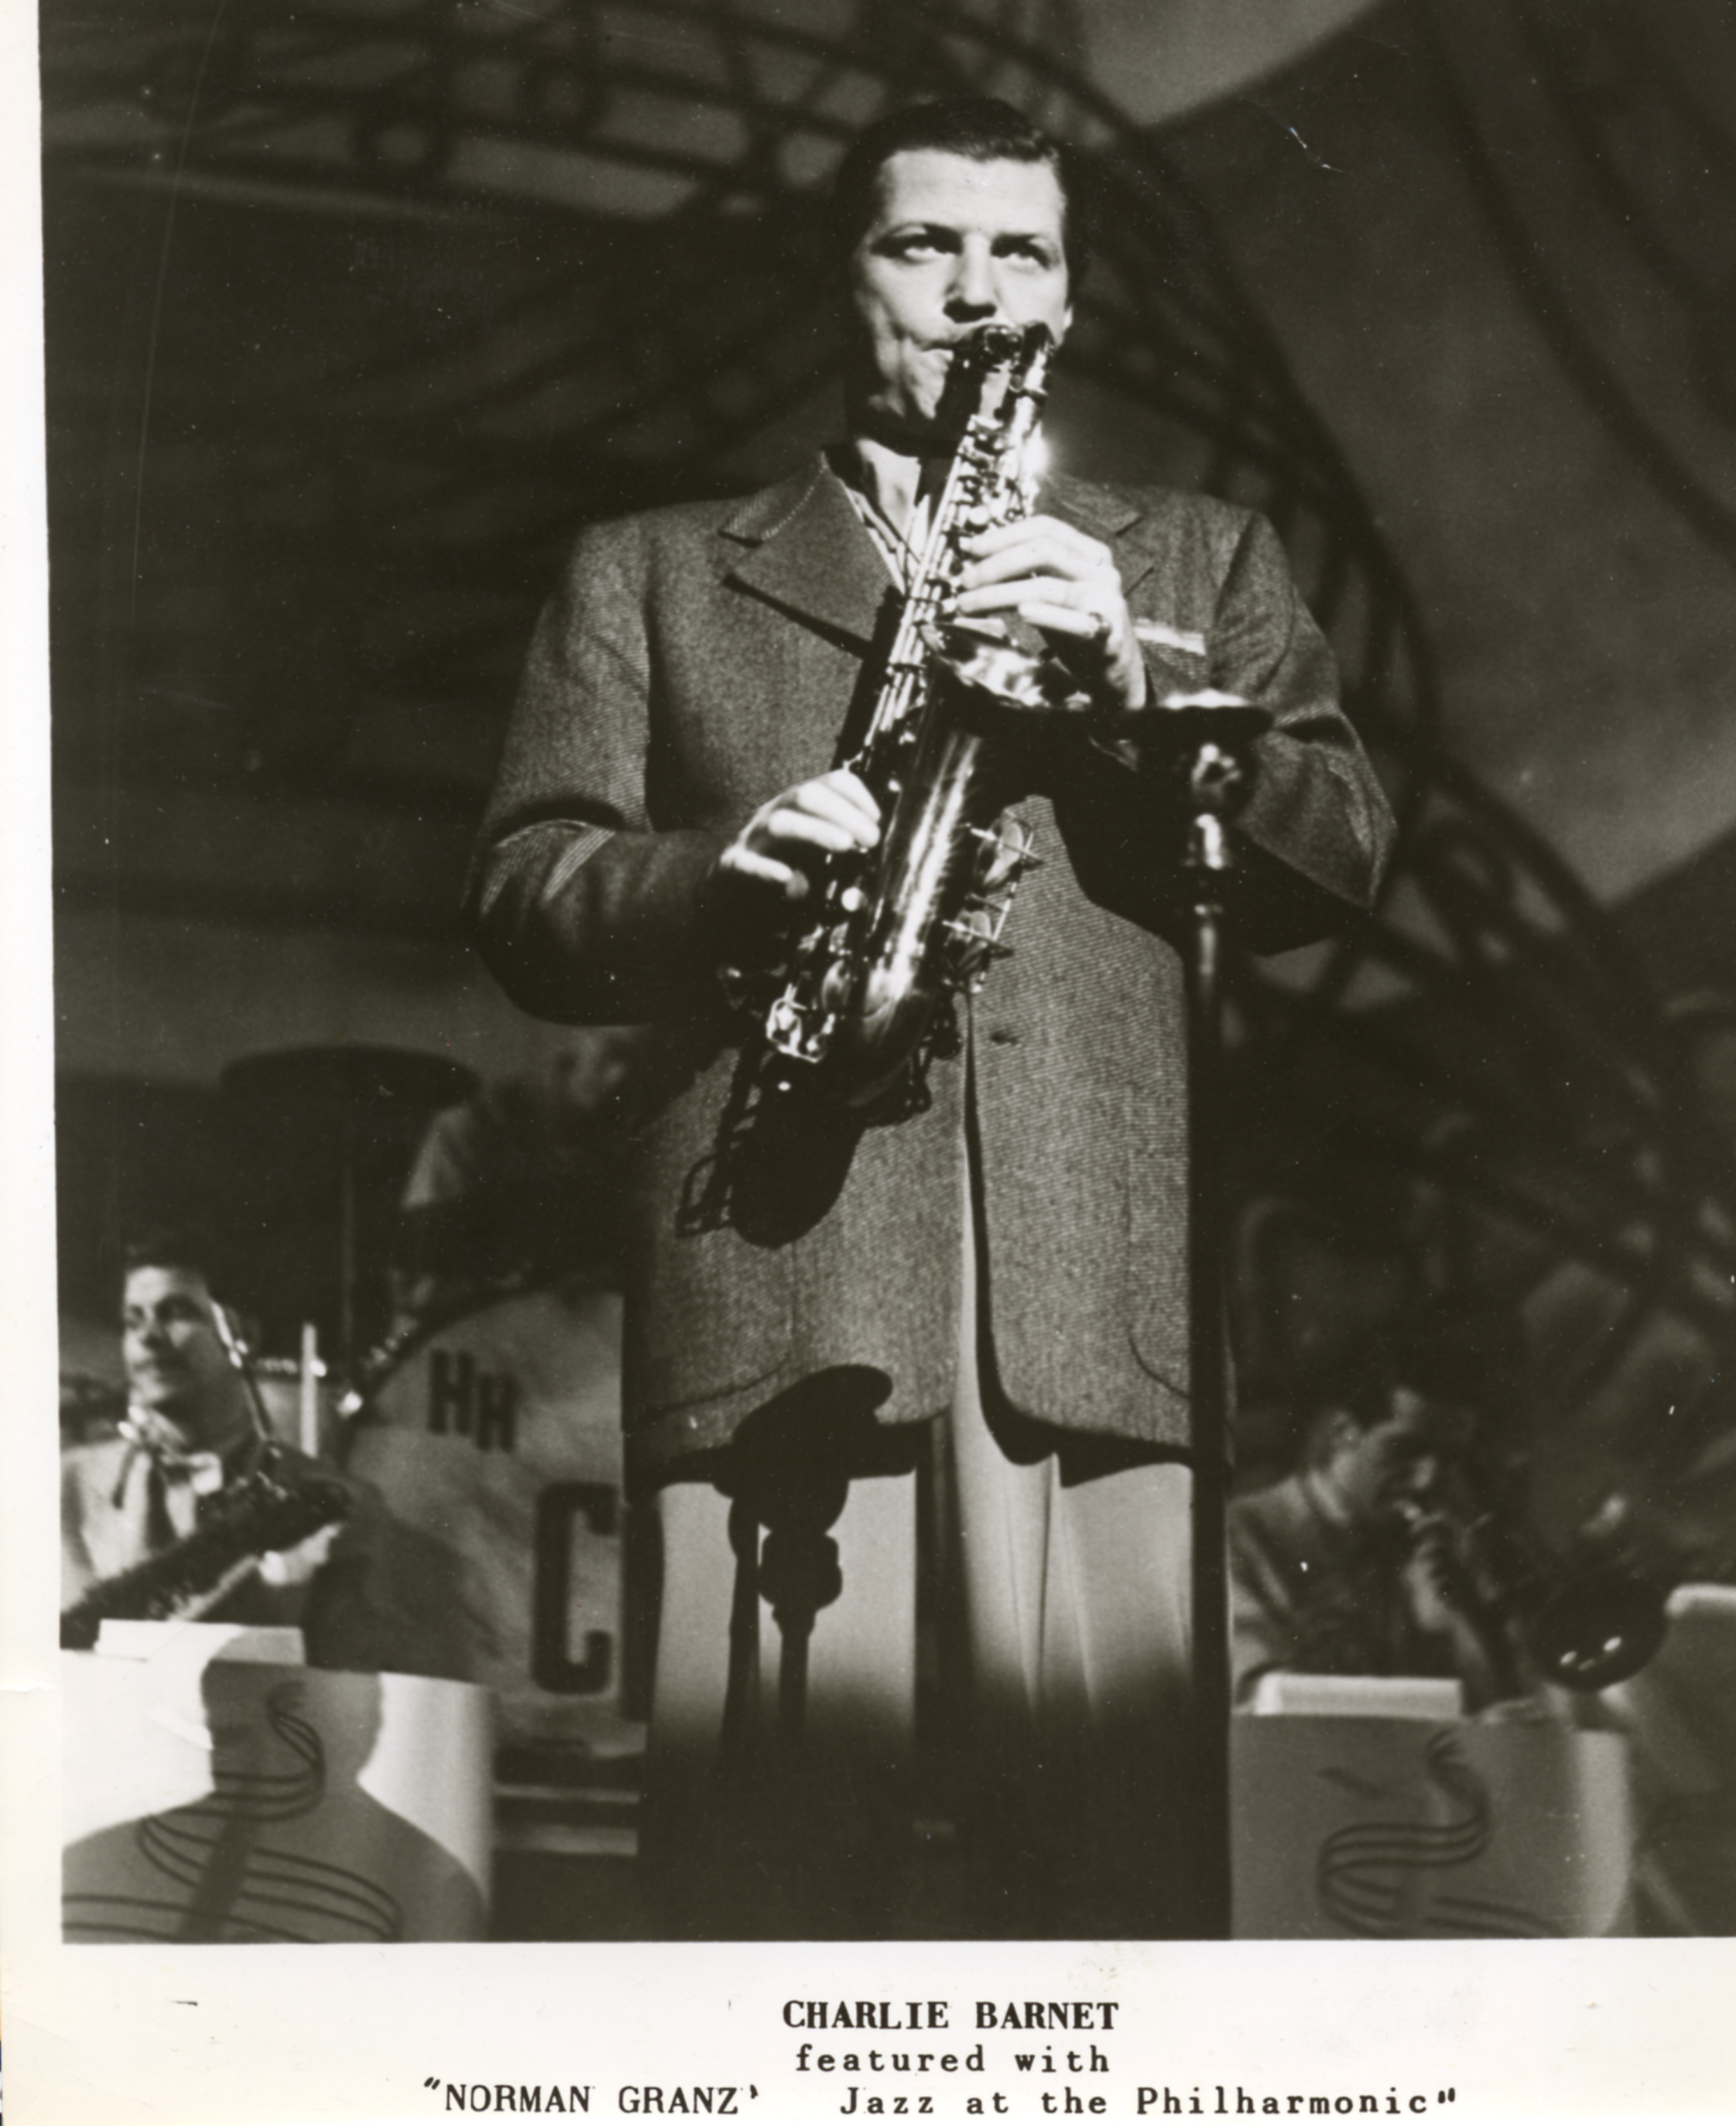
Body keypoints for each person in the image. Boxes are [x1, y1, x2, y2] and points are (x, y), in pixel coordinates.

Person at [469, 95, 1394, 1936]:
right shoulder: (650, 566)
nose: (977, 291)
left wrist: (1127, 683)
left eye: (1020, 252)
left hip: (1098, 1314)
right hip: (779, 1295)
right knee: (762, 1901)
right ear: (846, 278)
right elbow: (527, 890)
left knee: (1121, 1909)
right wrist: (722, 869)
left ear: (1067, 299)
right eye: (924, 244)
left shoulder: (1196, 562)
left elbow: (1336, 853)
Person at [62, 1232, 469, 1678]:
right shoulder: (63, 1490)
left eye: (176, 1312)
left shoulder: (342, 1506)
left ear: (245, 1335)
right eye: (133, 1320)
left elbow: (350, 1685)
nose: (148, 1337)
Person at [1227, 1302, 1525, 1710]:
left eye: (1447, 1459)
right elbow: (1264, 1704)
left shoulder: (1436, 1549)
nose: (1428, 1480)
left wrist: (1456, 1624)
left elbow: (1501, 1709)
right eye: (1406, 1450)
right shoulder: (1234, 1538)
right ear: (1343, 1432)